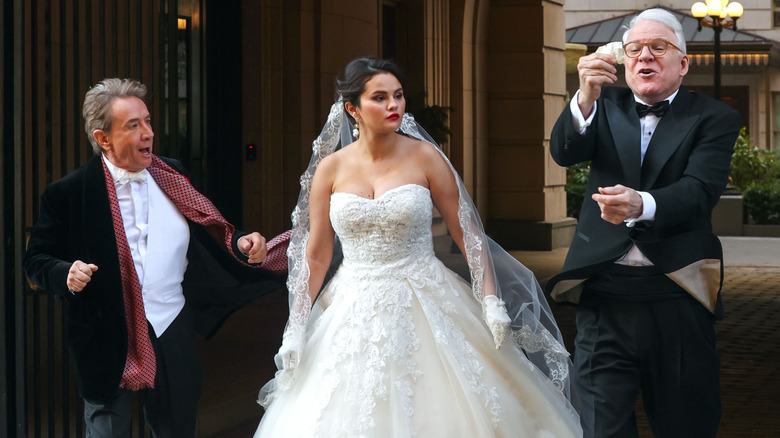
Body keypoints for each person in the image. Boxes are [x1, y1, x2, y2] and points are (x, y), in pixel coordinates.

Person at [253, 57, 582, 437]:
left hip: (425, 294)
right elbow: (317, 253)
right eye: (379, 98)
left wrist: (490, 300)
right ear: (351, 108)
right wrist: (295, 326)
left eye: (398, 95)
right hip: (351, 303)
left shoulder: (425, 157)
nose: (393, 105)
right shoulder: (331, 168)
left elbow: (469, 234)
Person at [23, 78, 288, 437]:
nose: (148, 133)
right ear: (104, 138)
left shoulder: (172, 174)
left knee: (176, 429)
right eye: (133, 125)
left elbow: (208, 226)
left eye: (147, 121)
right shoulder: (67, 193)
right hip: (104, 333)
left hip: (171, 322)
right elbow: (36, 257)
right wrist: (64, 271)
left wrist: (241, 242)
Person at [547, 8, 741, 438]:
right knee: (600, 427)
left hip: (678, 292)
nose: (644, 58)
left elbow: (699, 191)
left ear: (683, 63)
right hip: (605, 295)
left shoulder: (714, 117)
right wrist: (583, 96)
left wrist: (641, 204)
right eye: (634, 49)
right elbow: (564, 152)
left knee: (685, 425)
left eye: (658, 47)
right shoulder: (602, 102)